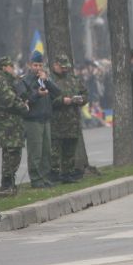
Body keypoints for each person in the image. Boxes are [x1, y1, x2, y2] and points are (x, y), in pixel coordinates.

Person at [0, 56, 29, 193]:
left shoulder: (8, 81)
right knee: (11, 155)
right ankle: (7, 184)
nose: (13, 69)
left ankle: (9, 183)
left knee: (12, 154)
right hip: (8, 126)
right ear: (4, 67)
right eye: (10, 66)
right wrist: (24, 107)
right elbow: (11, 101)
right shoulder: (2, 83)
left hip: (12, 125)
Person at [21, 51, 58, 187]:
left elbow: (57, 92)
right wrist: (37, 94)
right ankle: (36, 179)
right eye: (35, 65)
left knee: (46, 151)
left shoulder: (45, 78)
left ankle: (45, 177)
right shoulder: (25, 80)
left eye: (40, 65)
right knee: (35, 151)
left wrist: (46, 80)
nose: (37, 68)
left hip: (46, 119)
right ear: (30, 65)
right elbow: (24, 99)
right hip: (33, 120)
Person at [49, 54, 87, 183]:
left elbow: (84, 93)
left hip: (72, 121)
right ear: (55, 65)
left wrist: (82, 100)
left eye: (66, 67)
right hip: (56, 122)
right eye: (62, 67)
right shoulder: (49, 80)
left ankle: (67, 174)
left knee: (70, 150)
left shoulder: (74, 79)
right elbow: (46, 100)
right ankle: (54, 174)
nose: (65, 69)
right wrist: (61, 101)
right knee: (55, 151)